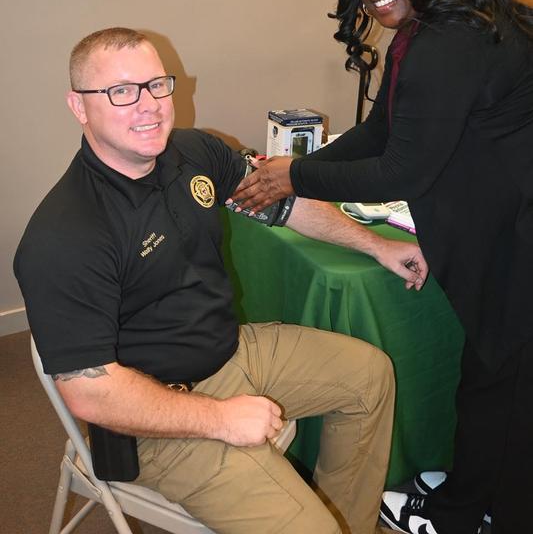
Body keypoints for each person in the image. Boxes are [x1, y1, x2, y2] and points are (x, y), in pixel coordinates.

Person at [14, 27, 429, 534]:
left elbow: (282, 203)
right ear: (79, 107)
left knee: (370, 376)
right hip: (155, 414)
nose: (147, 105)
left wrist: (378, 245)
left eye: (156, 85)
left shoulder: (192, 151)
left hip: (230, 351)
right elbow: (90, 393)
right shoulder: (66, 234)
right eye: (120, 92)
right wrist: (220, 419)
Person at [231, 0, 533, 534]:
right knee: (493, 374)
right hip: (499, 223)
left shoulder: (449, 41)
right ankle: (471, 499)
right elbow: (380, 131)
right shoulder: (432, 29)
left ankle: (477, 514)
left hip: (515, 235)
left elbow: (401, 170)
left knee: (502, 380)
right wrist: (295, 164)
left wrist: (294, 175)